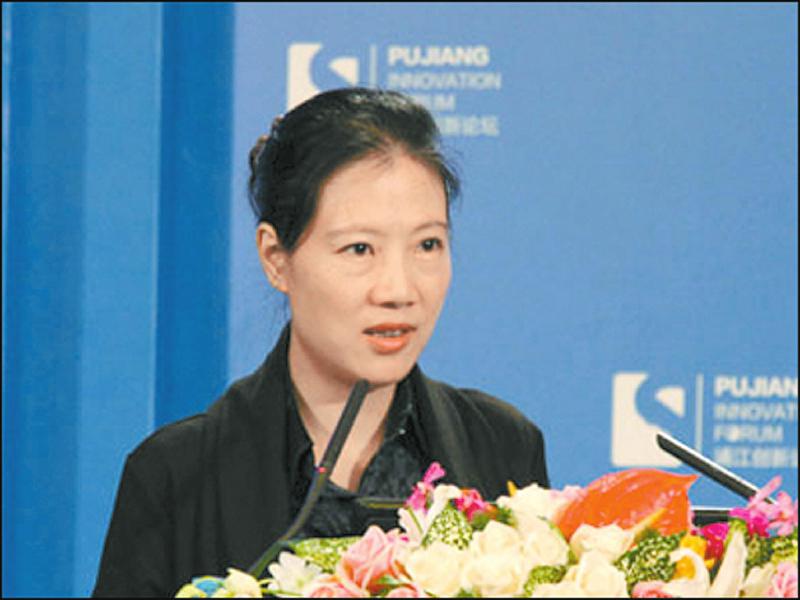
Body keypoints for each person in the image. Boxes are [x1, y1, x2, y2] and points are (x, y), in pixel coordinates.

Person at [93, 87, 549, 597]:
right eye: (359, 249)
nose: (398, 290)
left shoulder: (504, 447)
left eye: (427, 244)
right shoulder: (176, 477)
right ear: (275, 258)